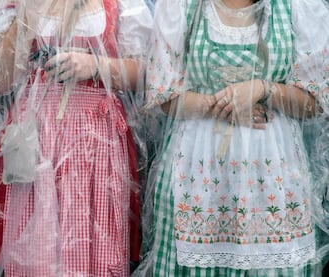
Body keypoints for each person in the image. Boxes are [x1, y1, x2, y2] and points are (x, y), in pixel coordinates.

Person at [0, 0, 153, 276]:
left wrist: (95, 65)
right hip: (37, 137)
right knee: (35, 250)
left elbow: (145, 72)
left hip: (95, 140)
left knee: (94, 245)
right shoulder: (20, 4)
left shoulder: (121, 4)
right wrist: (25, 17)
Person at [135, 0, 329, 276]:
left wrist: (263, 88)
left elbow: (314, 102)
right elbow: (164, 95)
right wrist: (222, 106)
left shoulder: (296, 7)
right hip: (197, 171)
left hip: (273, 175)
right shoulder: (183, 6)